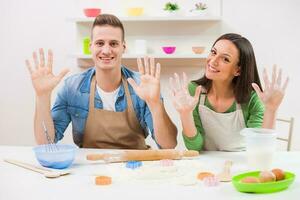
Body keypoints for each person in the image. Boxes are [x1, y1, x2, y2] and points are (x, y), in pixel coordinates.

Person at [26, 14, 177, 149]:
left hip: (135, 168)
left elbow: (169, 144)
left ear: (123, 47)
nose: (106, 51)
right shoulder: (72, 88)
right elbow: (46, 143)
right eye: (99, 43)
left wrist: (155, 104)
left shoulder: (142, 86)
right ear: (90, 47)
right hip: (89, 169)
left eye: (113, 43)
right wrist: (42, 96)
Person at [169, 33, 288, 151]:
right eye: (214, 52)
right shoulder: (194, 91)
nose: (213, 61)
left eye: (225, 59)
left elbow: (261, 148)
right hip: (207, 165)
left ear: (238, 70)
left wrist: (271, 109)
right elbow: (195, 147)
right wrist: (185, 114)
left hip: (242, 164)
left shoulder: (252, 99)